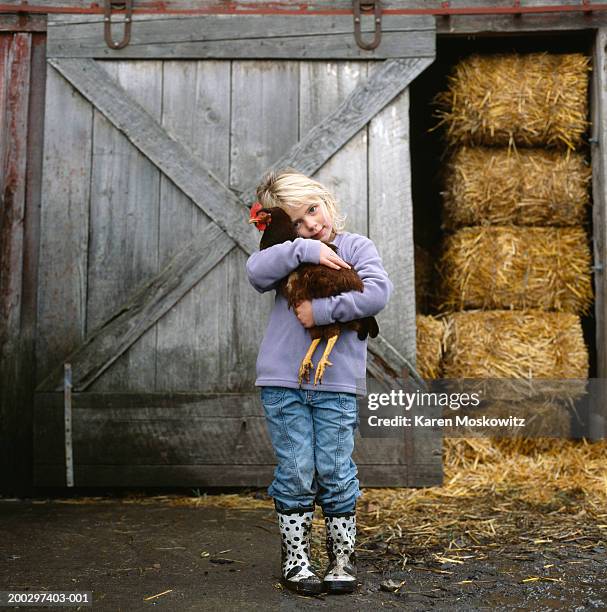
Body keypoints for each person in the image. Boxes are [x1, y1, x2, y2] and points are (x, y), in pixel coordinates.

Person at [245, 168, 394, 595]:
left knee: (334, 467)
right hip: (282, 383)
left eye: (312, 210)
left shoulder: (355, 246)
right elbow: (255, 272)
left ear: (325, 201)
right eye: (296, 221)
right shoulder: (288, 253)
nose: (310, 224)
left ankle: (340, 559)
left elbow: (377, 293)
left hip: (337, 385)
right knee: (295, 469)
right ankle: (296, 559)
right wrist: (300, 249)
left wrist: (322, 314)